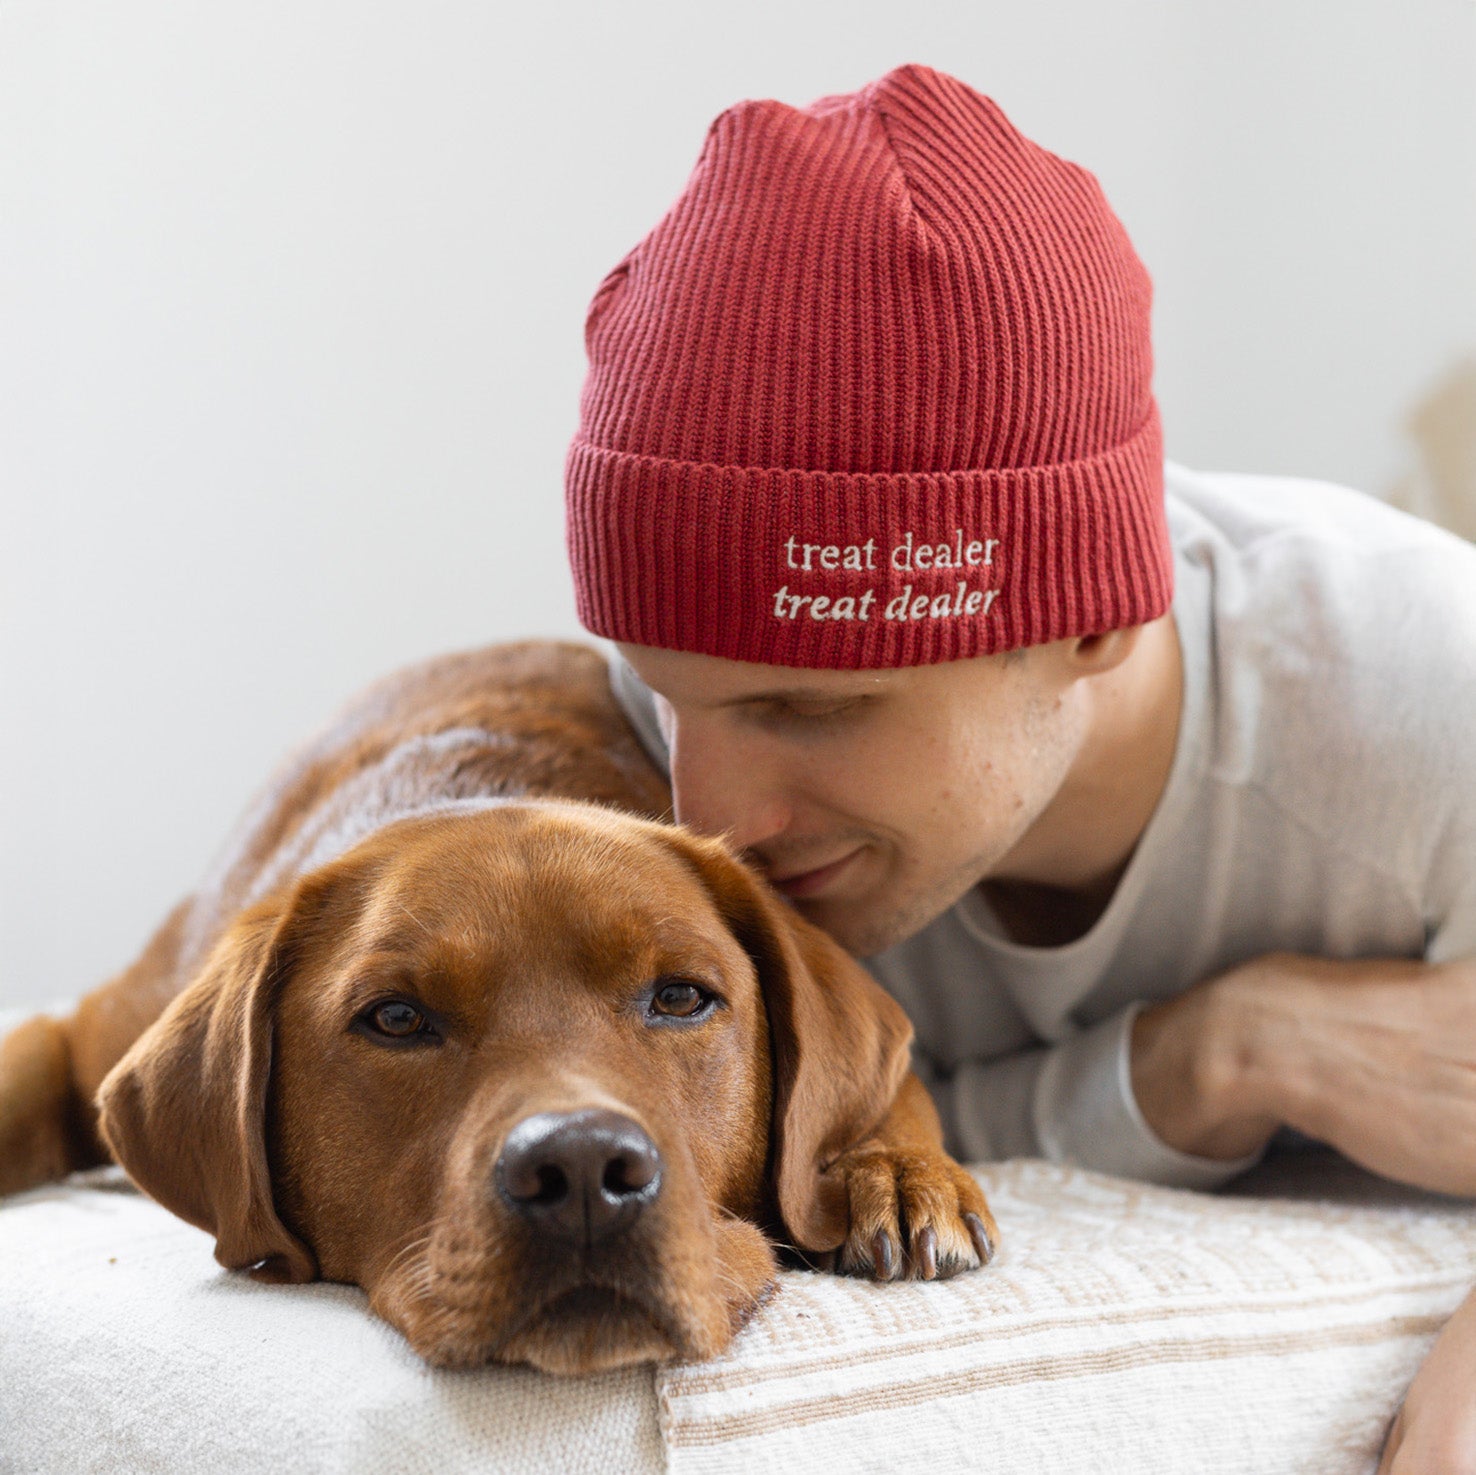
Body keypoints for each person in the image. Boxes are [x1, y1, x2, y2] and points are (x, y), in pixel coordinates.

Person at [563, 62, 1476, 1471]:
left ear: (1096, 618)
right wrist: (1214, 1058)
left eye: (813, 706)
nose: (713, 823)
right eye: (676, 699)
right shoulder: (636, 761)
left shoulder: (1419, 685)